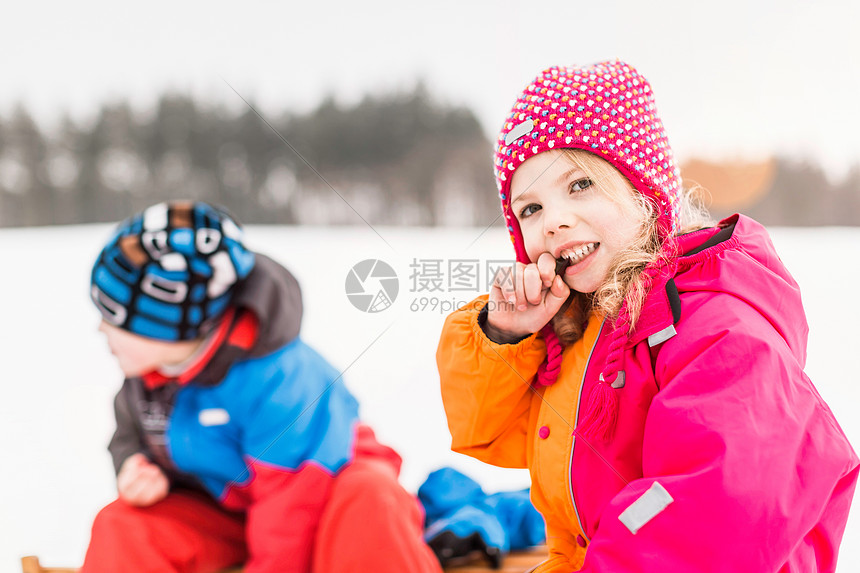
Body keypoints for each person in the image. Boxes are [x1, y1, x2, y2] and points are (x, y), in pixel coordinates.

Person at [436, 60, 858, 572]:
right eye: (530, 209)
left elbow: (708, 519)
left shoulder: (719, 330)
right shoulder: (583, 331)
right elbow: (497, 432)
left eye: (579, 185)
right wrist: (504, 334)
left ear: (643, 188)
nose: (553, 222)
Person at [82, 200, 442, 573]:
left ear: (168, 323)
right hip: (236, 510)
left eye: (113, 318)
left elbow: (292, 508)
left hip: (324, 497)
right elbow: (128, 434)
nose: (101, 329)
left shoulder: (279, 379)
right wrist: (132, 466)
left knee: (369, 501)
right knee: (124, 525)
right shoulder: (150, 375)